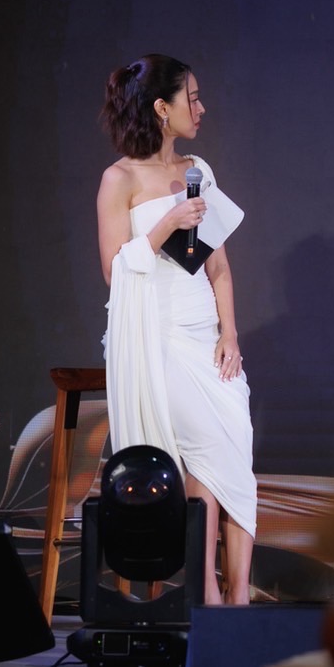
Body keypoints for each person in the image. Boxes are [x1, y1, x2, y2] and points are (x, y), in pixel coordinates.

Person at [96, 54, 256, 604]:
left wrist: (229, 334)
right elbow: (113, 270)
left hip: (207, 334)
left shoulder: (198, 171)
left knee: (234, 453)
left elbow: (219, 266)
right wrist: (167, 222)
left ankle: (239, 597)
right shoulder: (118, 179)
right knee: (203, 454)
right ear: (163, 108)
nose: (201, 108)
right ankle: (206, 593)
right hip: (157, 337)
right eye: (193, 98)